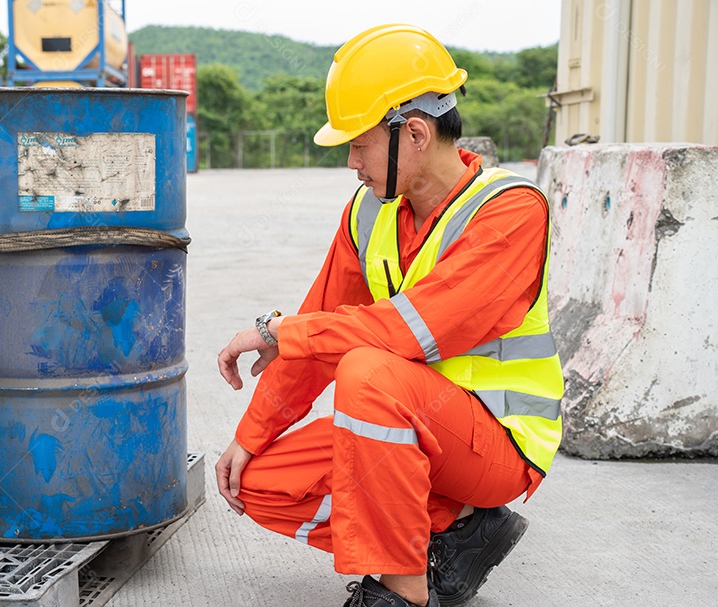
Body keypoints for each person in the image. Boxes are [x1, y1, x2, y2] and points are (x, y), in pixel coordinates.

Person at [215, 24, 564, 607]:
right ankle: (455, 531)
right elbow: (320, 328)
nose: (351, 164)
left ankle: (402, 592)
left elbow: (409, 331)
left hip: (495, 443)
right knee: (257, 484)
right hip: (413, 434)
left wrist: (280, 331)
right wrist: (249, 438)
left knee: (368, 373)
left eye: (359, 145)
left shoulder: (510, 213)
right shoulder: (368, 213)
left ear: (417, 134)